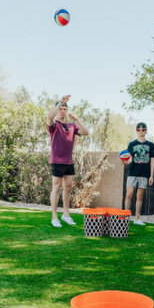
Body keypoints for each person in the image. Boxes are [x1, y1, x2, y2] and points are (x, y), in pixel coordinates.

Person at [47, 95, 89, 227]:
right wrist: (60, 102)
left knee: (69, 187)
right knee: (56, 187)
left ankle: (66, 215)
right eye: (61, 108)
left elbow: (86, 132)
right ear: (57, 109)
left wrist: (77, 119)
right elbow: (49, 117)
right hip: (57, 160)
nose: (63, 111)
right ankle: (54, 217)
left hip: (68, 161)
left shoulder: (71, 126)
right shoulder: (53, 125)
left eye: (65, 109)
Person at [123, 122, 154, 225]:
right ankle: (125, 217)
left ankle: (137, 218)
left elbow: (152, 161)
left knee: (140, 196)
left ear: (146, 130)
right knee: (129, 194)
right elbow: (129, 159)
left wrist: (151, 176)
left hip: (144, 174)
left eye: (143, 129)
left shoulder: (150, 145)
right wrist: (125, 162)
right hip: (132, 173)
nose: (141, 131)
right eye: (138, 129)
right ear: (136, 131)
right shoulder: (132, 144)